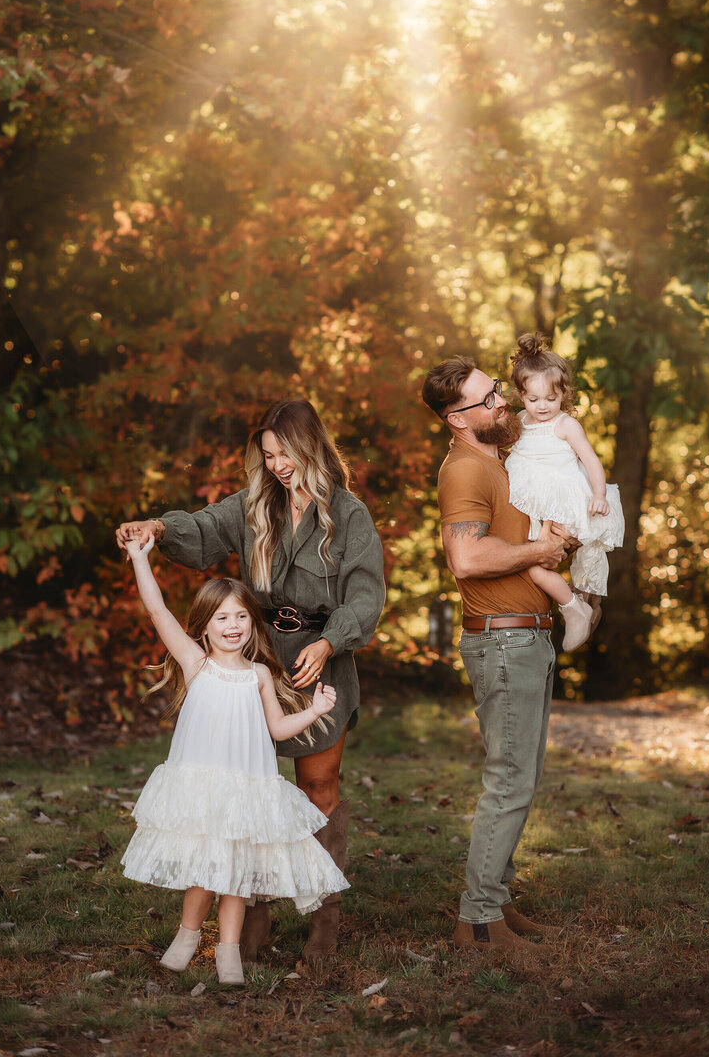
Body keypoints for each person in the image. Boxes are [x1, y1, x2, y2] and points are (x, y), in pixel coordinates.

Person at [115, 398, 385, 961]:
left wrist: (330, 640)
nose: (278, 464)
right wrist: (159, 527)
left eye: (286, 452)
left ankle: (322, 921)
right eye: (268, 455)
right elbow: (206, 526)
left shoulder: (349, 514)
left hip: (319, 657)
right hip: (259, 656)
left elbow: (365, 594)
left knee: (318, 789)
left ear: (312, 446)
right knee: (249, 789)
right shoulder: (255, 504)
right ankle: (251, 923)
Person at [119, 538, 349, 987]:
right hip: (204, 789)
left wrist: (316, 711)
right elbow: (158, 611)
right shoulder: (196, 663)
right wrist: (142, 560)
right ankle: (187, 938)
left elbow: (278, 729)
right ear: (204, 626)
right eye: (222, 617)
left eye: (242, 616)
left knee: (236, 877)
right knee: (205, 869)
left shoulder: (260, 674)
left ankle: (229, 954)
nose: (234, 625)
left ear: (253, 622)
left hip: (248, 790)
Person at [421, 355, 573, 956]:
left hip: (528, 635)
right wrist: (538, 548)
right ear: (457, 419)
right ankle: (478, 921)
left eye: (498, 392)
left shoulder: (501, 461)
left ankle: (498, 902)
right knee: (508, 779)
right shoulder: (463, 470)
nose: (502, 403)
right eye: (488, 400)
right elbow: (466, 560)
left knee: (523, 776)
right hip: (503, 640)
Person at [505, 334, 625, 650]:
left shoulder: (565, 425)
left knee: (560, 562)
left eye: (551, 398)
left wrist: (599, 494)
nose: (542, 406)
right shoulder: (519, 421)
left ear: (564, 394)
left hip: (567, 505)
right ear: (521, 395)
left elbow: (591, 460)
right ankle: (580, 608)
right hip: (538, 509)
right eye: (534, 399)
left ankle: (579, 607)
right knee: (536, 565)